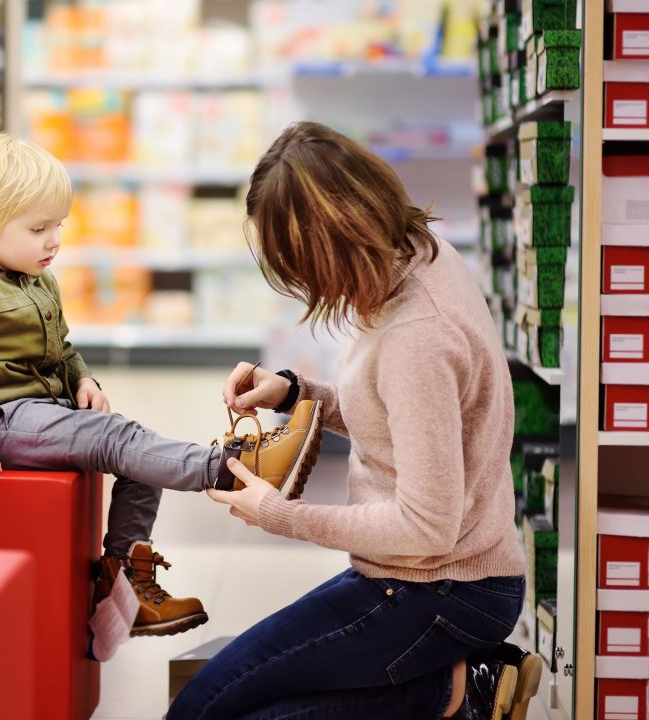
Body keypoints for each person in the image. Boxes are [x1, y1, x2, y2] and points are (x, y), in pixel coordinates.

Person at [167, 122, 542, 720]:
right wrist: (296, 393)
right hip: (429, 577)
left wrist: (278, 514)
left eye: (301, 264)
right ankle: (449, 689)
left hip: (442, 591)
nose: (304, 284)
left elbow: (426, 529)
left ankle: (462, 690)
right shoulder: (416, 256)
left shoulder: (418, 334)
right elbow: (399, 416)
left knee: (203, 712)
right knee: (213, 702)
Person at [0, 132, 323, 639]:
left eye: (59, 227)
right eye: (39, 228)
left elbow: (61, 348)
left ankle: (125, 585)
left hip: (35, 413)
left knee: (137, 455)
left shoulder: (34, 277)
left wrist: (83, 379)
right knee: (117, 440)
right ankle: (231, 466)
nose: (54, 241)